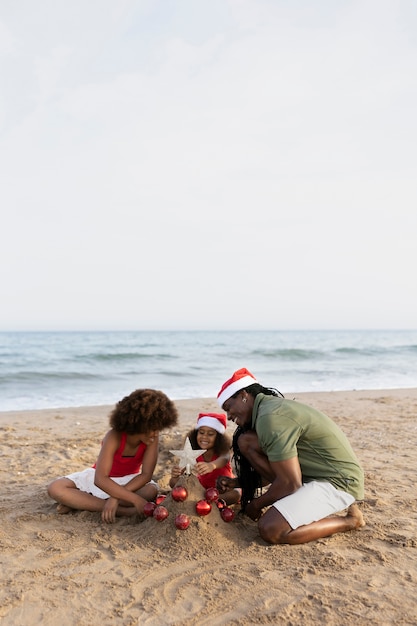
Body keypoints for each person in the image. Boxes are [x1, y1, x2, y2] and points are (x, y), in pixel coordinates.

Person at [215, 368, 365, 545]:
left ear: (243, 395)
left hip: (339, 482)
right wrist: (237, 483)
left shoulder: (270, 418)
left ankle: (350, 521)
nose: (229, 416)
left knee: (271, 529)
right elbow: (277, 472)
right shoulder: (266, 410)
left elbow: (290, 484)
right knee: (246, 441)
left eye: (228, 407)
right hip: (312, 477)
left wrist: (255, 505)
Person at [47, 388, 178, 523]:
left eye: (158, 428)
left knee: (150, 492)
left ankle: (82, 503)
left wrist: (115, 498)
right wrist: (135, 499)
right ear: (138, 424)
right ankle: (123, 511)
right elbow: (100, 479)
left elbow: (145, 475)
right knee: (55, 488)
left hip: (130, 482)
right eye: (152, 428)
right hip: (103, 479)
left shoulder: (152, 439)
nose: (156, 433)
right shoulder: (114, 436)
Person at [169, 412, 241, 505]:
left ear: (219, 438)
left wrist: (212, 465)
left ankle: (212, 501)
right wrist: (175, 476)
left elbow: (225, 459)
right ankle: (207, 501)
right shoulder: (193, 453)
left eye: (210, 434)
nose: (204, 437)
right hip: (203, 489)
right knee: (179, 488)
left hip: (224, 489)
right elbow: (173, 484)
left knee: (236, 494)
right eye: (201, 432)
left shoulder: (223, 452)